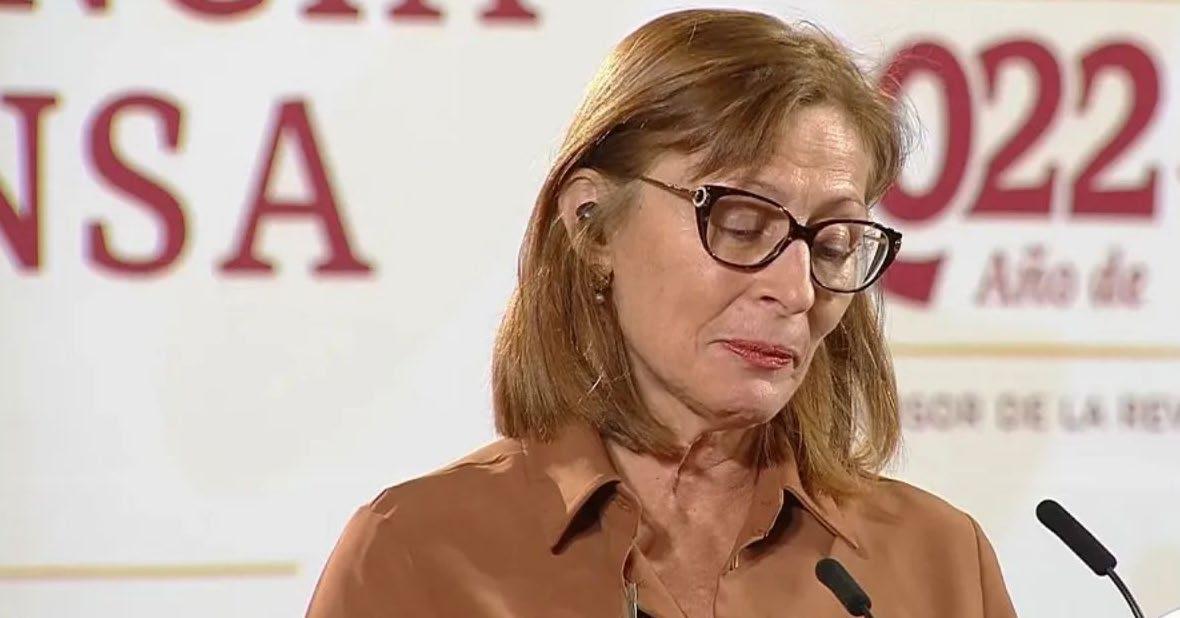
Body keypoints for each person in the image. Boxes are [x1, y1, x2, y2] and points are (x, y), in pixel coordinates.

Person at [306, 8, 1018, 617]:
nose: (797, 291)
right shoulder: (416, 555)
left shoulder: (942, 561)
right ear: (592, 224)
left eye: (832, 243)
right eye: (742, 224)